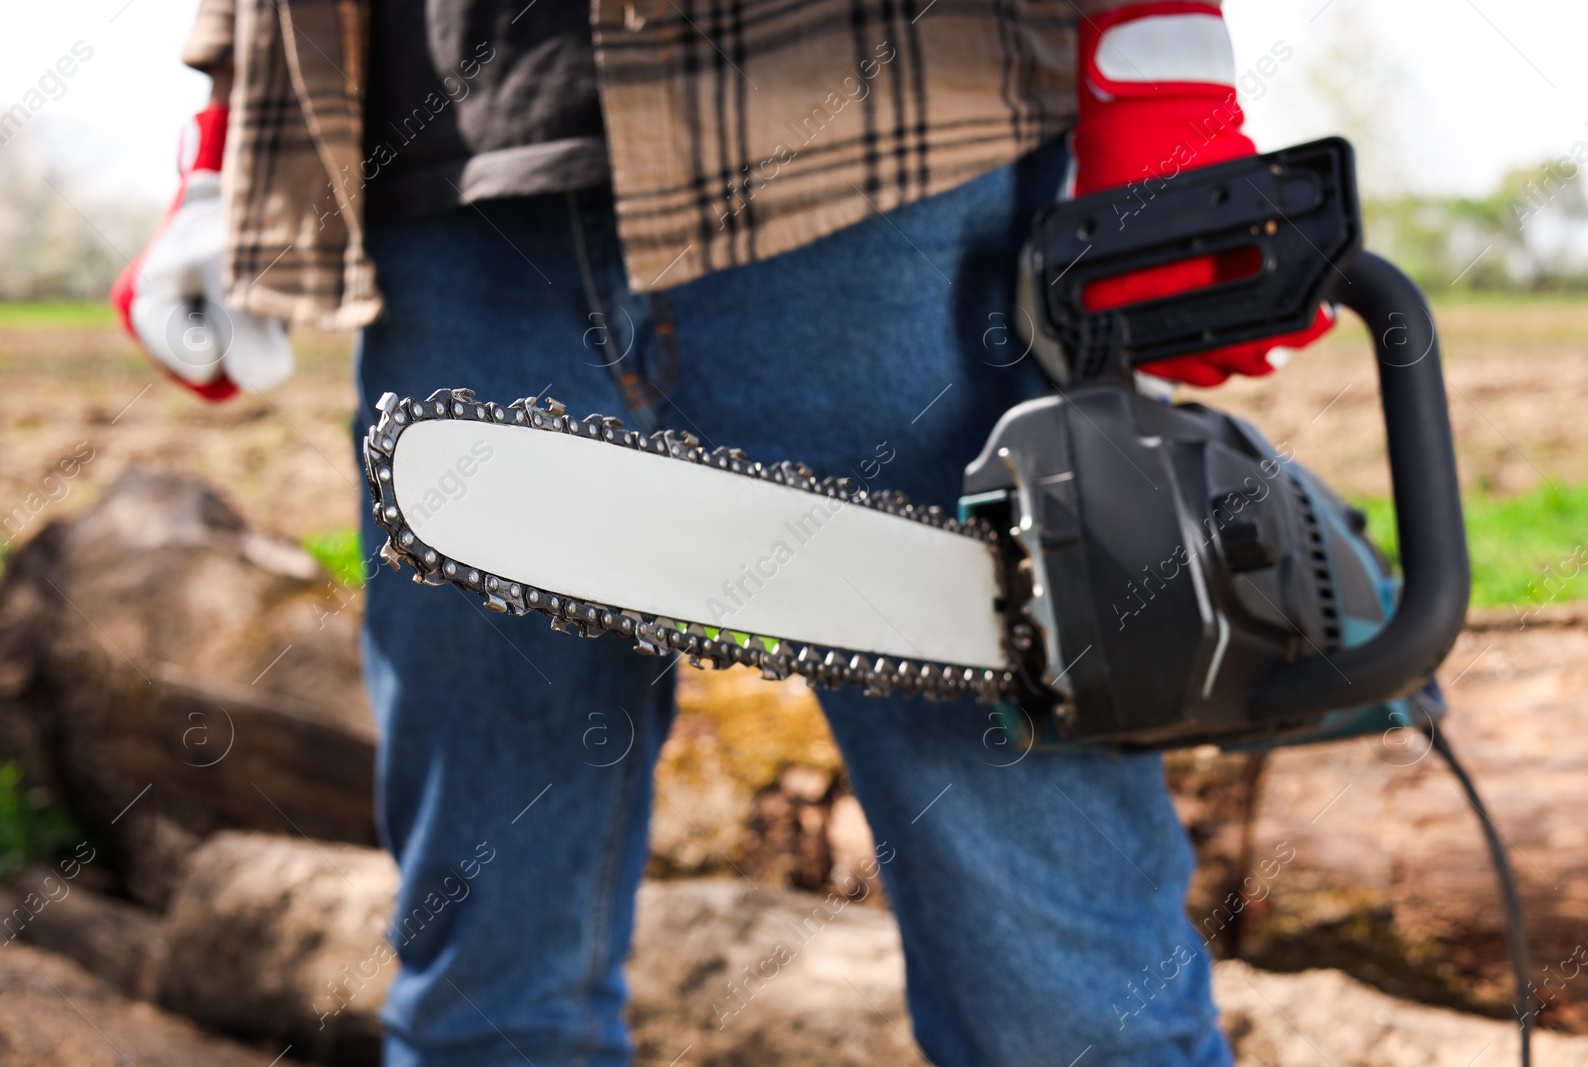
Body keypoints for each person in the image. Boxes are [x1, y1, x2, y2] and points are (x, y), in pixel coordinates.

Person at [116, 1, 1328, 1063]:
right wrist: (225, 154)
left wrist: (1159, 70)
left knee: (1064, 996)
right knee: (484, 992)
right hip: (457, 204)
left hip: (874, 162)